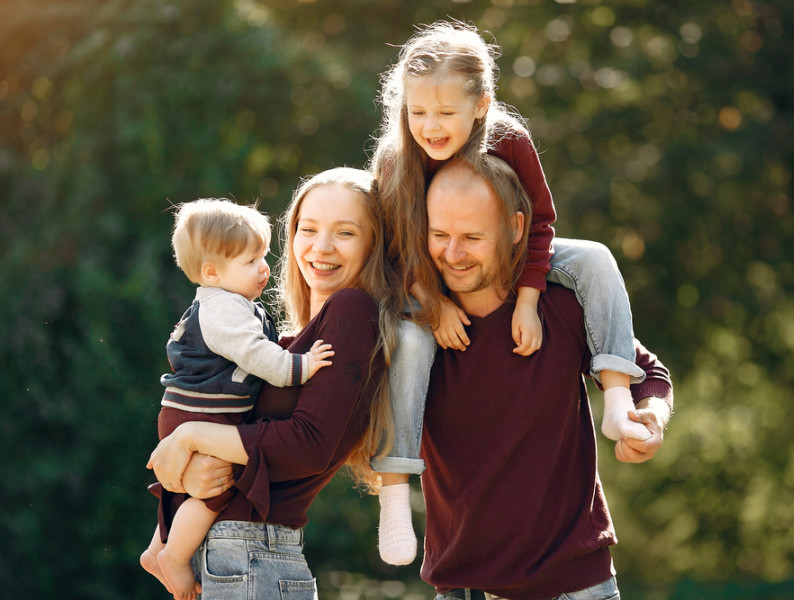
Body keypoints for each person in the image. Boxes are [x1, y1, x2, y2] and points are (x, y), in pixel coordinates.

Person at [369, 20, 648, 565]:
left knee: (593, 256)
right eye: (417, 111)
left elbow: (540, 222)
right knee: (411, 342)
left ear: (481, 105)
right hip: (416, 283)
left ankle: (616, 396)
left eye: (446, 113)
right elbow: (392, 253)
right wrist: (432, 303)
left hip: (509, 259)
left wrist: (527, 298)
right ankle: (395, 492)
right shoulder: (396, 162)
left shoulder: (509, 140)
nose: (430, 126)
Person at [420, 155, 673, 599]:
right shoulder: (415, 329)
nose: (453, 254)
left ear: (517, 228)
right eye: (439, 235)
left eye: (472, 237)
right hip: (464, 588)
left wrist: (650, 417)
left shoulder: (563, 304)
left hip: (577, 585)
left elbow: (648, 373)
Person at [145, 168, 400, 600]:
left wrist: (189, 436)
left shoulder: (352, 311)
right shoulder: (283, 340)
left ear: (373, 244)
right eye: (308, 228)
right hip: (233, 554)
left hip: (253, 553)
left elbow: (307, 445)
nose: (321, 246)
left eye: (345, 232)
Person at [140, 198, 335, 600]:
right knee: (218, 489)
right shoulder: (224, 310)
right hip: (203, 413)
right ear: (212, 272)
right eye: (250, 261)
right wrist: (300, 366)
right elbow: (258, 356)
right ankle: (174, 556)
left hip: (193, 411)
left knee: (201, 485)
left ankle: (158, 545)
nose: (264, 268)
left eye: (263, 256)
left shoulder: (231, 304)